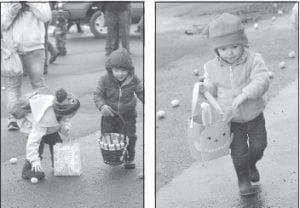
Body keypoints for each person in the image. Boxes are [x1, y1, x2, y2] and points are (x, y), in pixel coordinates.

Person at [199, 13, 270, 196]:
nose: (229, 52)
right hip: (230, 120)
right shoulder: (211, 67)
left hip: (253, 115)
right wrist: (204, 88)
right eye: (223, 49)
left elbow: (261, 80)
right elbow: (211, 89)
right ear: (216, 50)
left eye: (234, 46)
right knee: (238, 153)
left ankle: (252, 163)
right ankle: (243, 180)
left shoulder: (254, 59)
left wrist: (244, 95)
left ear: (243, 43)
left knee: (259, 146)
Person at [1, 2, 52, 131]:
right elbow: (2, 25)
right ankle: (14, 119)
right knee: (13, 86)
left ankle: (42, 117)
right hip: (12, 50)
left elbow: (46, 16)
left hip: (35, 48)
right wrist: (12, 12)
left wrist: (30, 3)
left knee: (38, 84)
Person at [13, 87, 80, 180]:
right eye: (73, 112)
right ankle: (29, 170)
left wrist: (65, 128)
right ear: (65, 112)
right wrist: (35, 160)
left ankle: (58, 164)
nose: (75, 114)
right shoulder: (43, 120)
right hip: (32, 126)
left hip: (49, 128)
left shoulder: (60, 112)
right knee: (38, 146)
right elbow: (32, 142)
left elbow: (63, 120)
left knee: (57, 142)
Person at [93, 48, 144, 169]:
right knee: (109, 137)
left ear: (129, 70)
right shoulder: (104, 80)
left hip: (128, 114)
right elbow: (97, 94)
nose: (120, 74)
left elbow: (142, 92)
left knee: (130, 136)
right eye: (116, 70)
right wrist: (102, 106)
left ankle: (129, 158)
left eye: (123, 71)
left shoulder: (134, 80)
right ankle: (114, 157)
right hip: (109, 115)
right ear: (111, 69)